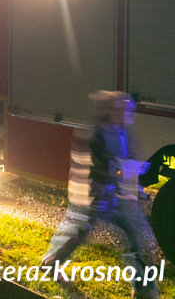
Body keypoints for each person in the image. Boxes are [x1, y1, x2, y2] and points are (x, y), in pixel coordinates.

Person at [42, 90, 159, 299]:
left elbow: (131, 156)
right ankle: (52, 263)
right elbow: (98, 165)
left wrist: (136, 179)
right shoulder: (95, 133)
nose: (129, 114)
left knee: (135, 236)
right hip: (97, 194)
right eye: (124, 109)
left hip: (118, 196)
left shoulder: (123, 131)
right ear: (111, 110)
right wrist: (123, 169)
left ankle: (143, 288)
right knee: (81, 233)